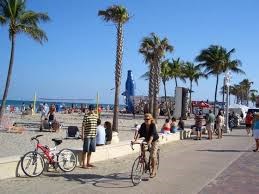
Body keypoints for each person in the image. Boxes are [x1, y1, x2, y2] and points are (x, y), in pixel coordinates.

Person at [133, 113, 159, 178]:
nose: (146, 120)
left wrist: (149, 142)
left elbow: (152, 135)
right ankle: (143, 158)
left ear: (151, 119)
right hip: (147, 139)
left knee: (153, 156)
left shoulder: (153, 125)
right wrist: (135, 140)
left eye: (147, 119)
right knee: (142, 145)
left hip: (154, 140)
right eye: (145, 119)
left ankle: (154, 170)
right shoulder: (143, 125)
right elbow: (139, 133)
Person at [81, 105, 98, 169]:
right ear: (89, 109)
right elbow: (83, 125)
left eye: (93, 109)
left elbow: (96, 125)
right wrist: (82, 134)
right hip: (87, 135)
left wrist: (96, 133)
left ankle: (88, 163)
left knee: (91, 150)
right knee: (85, 150)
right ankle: (83, 164)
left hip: (93, 135)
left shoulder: (96, 116)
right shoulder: (86, 116)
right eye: (91, 109)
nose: (92, 110)